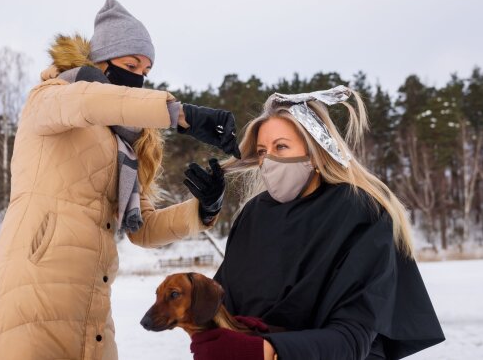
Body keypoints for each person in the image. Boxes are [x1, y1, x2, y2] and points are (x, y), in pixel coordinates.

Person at [0, 0, 238, 360]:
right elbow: (89, 100)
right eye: (131, 64)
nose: (139, 77)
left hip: (91, 298)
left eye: (146, 70)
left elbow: (143, 228)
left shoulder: (126, 144)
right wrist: (181, 114)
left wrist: (202, 209)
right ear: (99, 61)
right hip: (33, 289)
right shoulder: (51, 98)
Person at [190, 86, 445, 360]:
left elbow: (353, 337)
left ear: (314, 151)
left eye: (281, 147)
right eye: (262, 151)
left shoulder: (361, 211)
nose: (268, 160)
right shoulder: (254, 214)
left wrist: (270, 350)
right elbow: (224, 309)